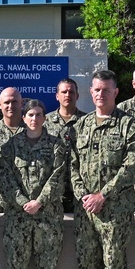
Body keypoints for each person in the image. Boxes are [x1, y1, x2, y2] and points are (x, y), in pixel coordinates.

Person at [67, 70, 135, 269]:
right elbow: (73, 164)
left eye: (106, 90)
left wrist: (103, 195)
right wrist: (83, 195)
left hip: (115, 210)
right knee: (86, 260)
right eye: (97, 90)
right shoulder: (82, 125)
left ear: (115, 93)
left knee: (113, 261)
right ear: (91, 92)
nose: (101, 94)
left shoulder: (128, 126)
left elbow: (132, 165)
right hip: (86, 209)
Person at [0, 99, 68, 269]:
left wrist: (40, 202)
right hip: (19, 216)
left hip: (48, 216)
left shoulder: (56, 145)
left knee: (47, 266)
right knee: (15, 266)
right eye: (30, 115)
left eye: (38, 114)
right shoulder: (11, 146)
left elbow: (58, 176)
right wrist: (25, 202)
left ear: (45, 118)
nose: (34, 119)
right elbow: (5, 178)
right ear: (23, 118)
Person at [45, 78, 85, 213]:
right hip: (53, 189)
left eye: (71, 92)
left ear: (77, 96)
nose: (67, 95)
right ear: (57, 96)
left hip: (80, 190)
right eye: (64, 92)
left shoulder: (87, 122)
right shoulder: (45, 122)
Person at [0, 87, 24, 213]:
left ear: (22, 104)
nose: (10, 106)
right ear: (0, 105)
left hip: (29, 201)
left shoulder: (33, 131)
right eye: (6, 102)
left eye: (14, 102)